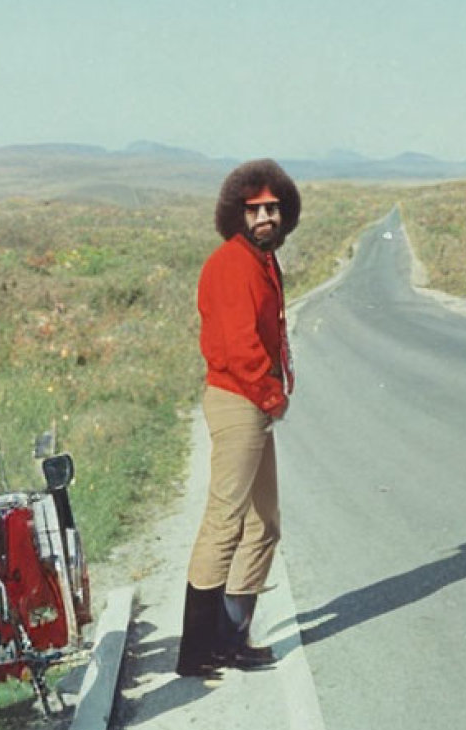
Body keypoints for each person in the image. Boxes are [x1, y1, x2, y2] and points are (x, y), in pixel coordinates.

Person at [176, 159, 301, 677]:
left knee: (264, 523)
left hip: (253, 400)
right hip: (238, 400)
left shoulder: (262, 260)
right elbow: (237, 346)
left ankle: (231, 637)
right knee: (226, 520)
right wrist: (272, 396)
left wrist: (273, 391)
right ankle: (196, 651)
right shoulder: (231, 263)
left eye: (273, 208)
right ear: (238, 214)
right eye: (256, 210)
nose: (266, 217)